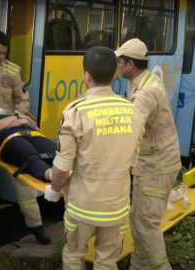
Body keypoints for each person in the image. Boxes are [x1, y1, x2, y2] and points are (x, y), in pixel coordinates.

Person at [45, 46, 145, 270]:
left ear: (86, 75)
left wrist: (53, 191)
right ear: (113, 74)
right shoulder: (133, 111)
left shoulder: (76, 112)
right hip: (116, 207)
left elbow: (62, 167)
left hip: (82, 206)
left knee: (73, 256)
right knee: (107, 261)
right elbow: (133, 162)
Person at [0, 30, 50, 244]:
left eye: (4, 53)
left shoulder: (12, 71)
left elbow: (22, 100)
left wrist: (16, 117)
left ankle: (36, 227)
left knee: (23, 180)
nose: (1, 57)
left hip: (8, 130)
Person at [115, 38, 181, 270]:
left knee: (145, 224)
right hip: (155, 164)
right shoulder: (144, 83)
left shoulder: (144, 93)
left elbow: (132, 132)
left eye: (119, 62)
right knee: (139, 220)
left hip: (156, 168)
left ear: (130, 64)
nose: (117, 66)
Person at [0, 108, 56, 181]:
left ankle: (63, 171)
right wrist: (17, 117)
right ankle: (52, 175)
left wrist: (23, 119)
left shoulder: (19, 117)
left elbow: (37, 129)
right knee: (30, 156)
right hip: (10, 138)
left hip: (33, 134)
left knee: (56, 152)